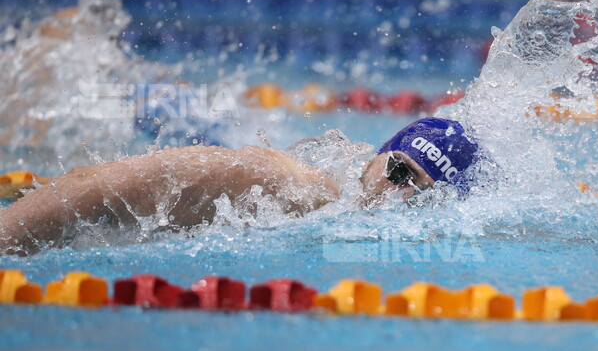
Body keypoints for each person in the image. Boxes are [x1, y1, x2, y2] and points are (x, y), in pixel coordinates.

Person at [0, 117, 480, 255]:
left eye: (422, 194)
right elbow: (99, 186)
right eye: (399, 172)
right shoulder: (282, 182)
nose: (397, 197)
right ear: (379, 155)